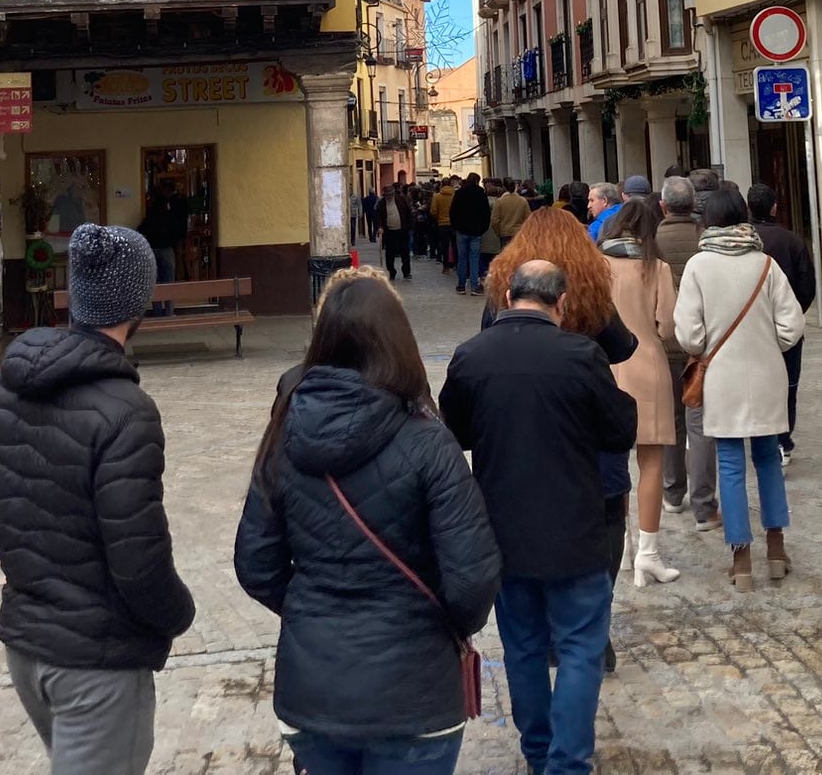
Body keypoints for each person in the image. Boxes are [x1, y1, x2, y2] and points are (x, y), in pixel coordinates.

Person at [0, 224, 195, 773]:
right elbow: (138, 562)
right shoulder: (127, 412)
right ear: (138, 301)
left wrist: (37, 549)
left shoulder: (1, 389)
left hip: (27, 648)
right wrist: (178, 614)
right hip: (97, 662)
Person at [236, 274, 501, 774]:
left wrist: (311, 613)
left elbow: (256, 563)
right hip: (415, 693)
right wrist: (440, 626)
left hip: (313, 691)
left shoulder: (284, 434)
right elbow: (473, 577)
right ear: (400, 340)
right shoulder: (430, 441)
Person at [441, 258, 636, 775]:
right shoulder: (580, 355)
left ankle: (537, 752)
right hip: (575, 525)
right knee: (579, 648)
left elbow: (455, 433)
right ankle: (567, 761)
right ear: (562, 302)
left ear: (508, 297)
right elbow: (618, 432)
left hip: (504, 528)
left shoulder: (471, 356)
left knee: (523, 648)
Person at [673, 187, 805, 593]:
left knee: (729, 463)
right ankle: (777, 549)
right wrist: (766, 346)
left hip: (722, 378)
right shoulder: (765, 264)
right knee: (767, 457)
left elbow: (690, 336)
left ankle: (742, 559)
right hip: (766, 374)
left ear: (708, 221)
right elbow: (792, 326)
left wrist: (710, 346)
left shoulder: (698, 266)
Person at [596, 199, 682, 587]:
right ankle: (648, 552)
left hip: (604, 369)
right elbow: (667, 327)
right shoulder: (657, 267)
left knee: (615, 464)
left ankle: (626, 548)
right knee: (651, 463)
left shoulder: (598, 265)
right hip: (647, 365)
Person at [657, 172, 717, 526]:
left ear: (663, 205)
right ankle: (704, 502)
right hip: (701, 346)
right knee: (699, 422)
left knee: (671, 422)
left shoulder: (650, 241)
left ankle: (672, 491)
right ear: (693, 204)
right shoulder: (705, 239)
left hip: (664, 344)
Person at [748, 182, 817, 466]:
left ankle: (761, 436)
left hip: (753, 326)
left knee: (756, 383)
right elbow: (807, 286)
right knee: (788, 384)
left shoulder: (745, 242)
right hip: (786, 326)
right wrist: (794, 312)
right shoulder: (793, 241)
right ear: (774, 207)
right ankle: (783, 439)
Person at [139, 178, 189, 315]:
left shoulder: (149, 217)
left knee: (155, 283)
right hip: (166, 250)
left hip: (152, 251)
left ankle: (157, 313)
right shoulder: (169, 216)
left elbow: (141, 231)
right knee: (169, 283)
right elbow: (177, 231)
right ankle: (169, 312)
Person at [450, 173, 492, 295]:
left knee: (462, 258)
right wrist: (483, 228)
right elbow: (486, 213)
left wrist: (456, 226)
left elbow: (453, 211)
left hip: (461, 230)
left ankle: (461, 285)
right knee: (474, 258)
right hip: (476, 231)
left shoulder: (460, 193)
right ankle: (474, 286)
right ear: (477, 181)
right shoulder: (481, 194)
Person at [379, 182, 413, 281]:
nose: (389, 196)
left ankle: (406, 272)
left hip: (402, 230)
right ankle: (392, 271)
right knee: (389, 254)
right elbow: (379, 217)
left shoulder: (401, 200)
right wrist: (380, 227)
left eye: (390, 194)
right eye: (387, 195)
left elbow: (408, 213)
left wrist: (409, 226)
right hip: (389, 232)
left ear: (393, 193)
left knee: (405, 253)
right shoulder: (382, 204)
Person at [490, 177, 531, 255]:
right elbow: (528, 219)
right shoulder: (522, 201)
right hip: (519, 233)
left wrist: (499, 232)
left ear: (504, 187)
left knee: (507, 259)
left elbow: (495, 220)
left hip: (505, 233)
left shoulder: (499, 202)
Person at [432, 178, 456, 273]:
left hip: (442, 224)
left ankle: (446, 267)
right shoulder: (454, 195)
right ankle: (456, 265)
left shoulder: (437, 196)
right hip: (453, 224)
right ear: (450, 184)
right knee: (455, 246)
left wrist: (438, 218)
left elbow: (433, 211)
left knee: (444, 246)